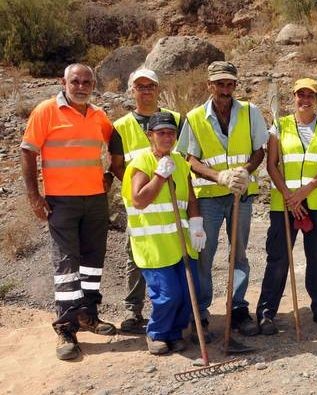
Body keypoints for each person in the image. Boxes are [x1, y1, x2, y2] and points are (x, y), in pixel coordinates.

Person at [21, 63, 116, 360]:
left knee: (91, 262)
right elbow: (27, 151)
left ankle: (88, 315)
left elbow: (115, 143)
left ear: (93, 84)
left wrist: (111, 175)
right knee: (66, 265)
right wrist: (35, 195)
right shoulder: (46, 111)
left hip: (95, 200)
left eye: (87, 81)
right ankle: (66, 327)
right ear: (63, 82)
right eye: (75, 81)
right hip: (62, 201)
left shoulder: (99, 115)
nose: (81, 86)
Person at [176, 61, 268, 338]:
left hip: (241, 194)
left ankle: (238, 309)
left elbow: (259, 151)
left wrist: (244, 172)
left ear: (235, 86)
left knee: (239, 254)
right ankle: (202, 312)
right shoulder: (194, 117)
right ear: (209, 85)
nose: (225, 89)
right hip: (210, 198)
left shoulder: (250, 113)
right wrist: (218, 177)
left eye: (230, 84)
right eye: (220, 84)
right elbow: (189, 158)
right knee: (205, 255)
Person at [256, 78, 317, 333]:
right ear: (293, 97)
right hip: (284, 203)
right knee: (279, 258)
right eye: (300, 95)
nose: (304, 100)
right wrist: (289, 197)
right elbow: (271, 165)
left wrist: (305, 191)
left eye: (310, 96)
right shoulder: (279, 127)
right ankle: (266, 312)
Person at [122, 112, 206, 355]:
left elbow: (190, 197)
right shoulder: (142, 163)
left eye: (171, 132)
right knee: (167, 295)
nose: (167, 137)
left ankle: (175, 332)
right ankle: (157, 333)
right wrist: (159, 175)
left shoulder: (180, 161)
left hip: (179, 242)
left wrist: (197, 224)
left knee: (186, 292)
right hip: (154, 244)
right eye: (161, 133)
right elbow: (139, 200)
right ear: (150, 136)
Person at [109, 68, 182, 333]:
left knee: (173, 253)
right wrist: (137, 187)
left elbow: (183, 157)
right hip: (139, 202)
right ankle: (133, 310)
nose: (146, 90)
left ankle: (173, 310)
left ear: (157, 88)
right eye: (140, 86)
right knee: (136, 253)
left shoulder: (175, 119)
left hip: (173, 200)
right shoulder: (121, 126)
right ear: (132, 91)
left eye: (150, 85)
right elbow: (116, 165)